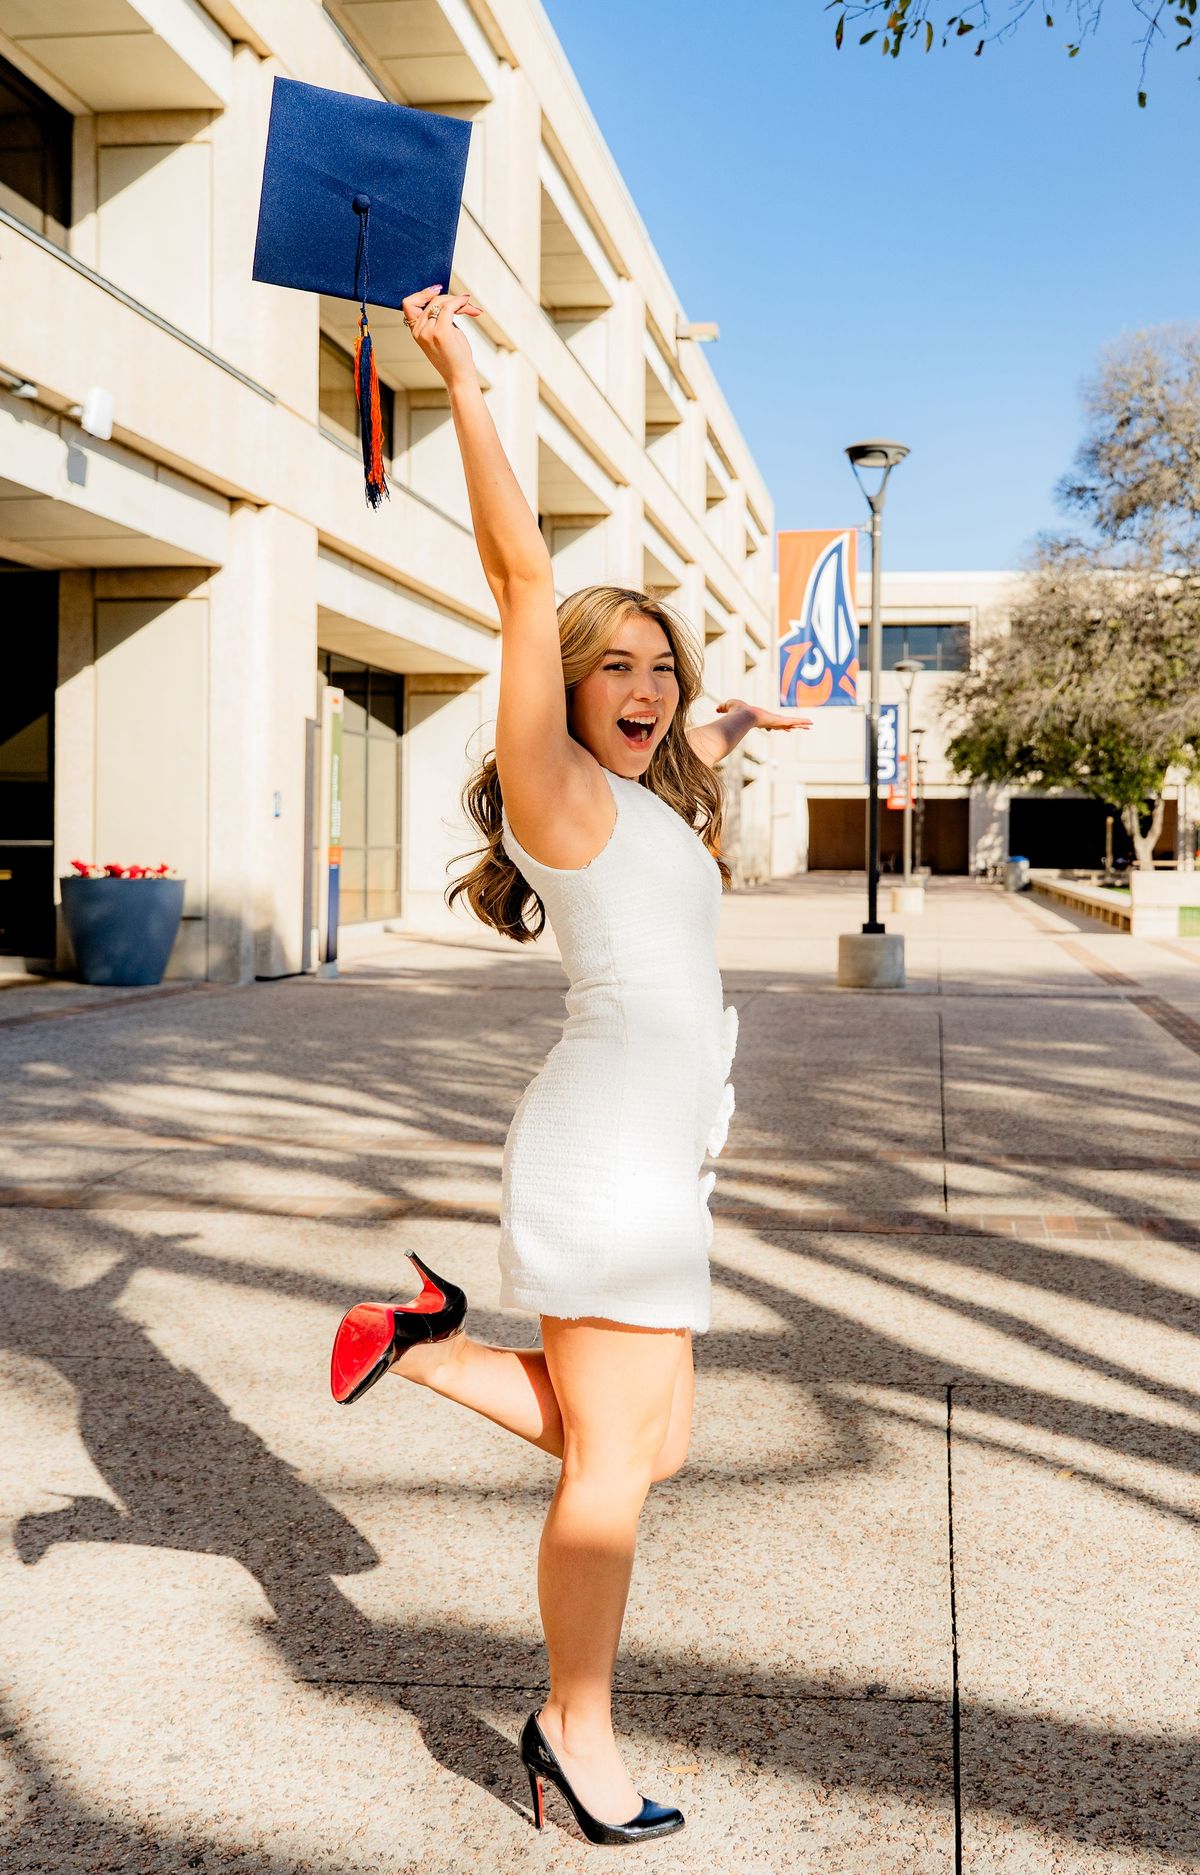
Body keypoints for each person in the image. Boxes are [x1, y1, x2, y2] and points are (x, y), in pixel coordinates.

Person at [327, 283, 810, 1846]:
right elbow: (520, 571)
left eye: (661, 669)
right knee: (612, 1464)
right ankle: (573, 1731)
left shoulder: (650, 801)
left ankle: (422, 1342)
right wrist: (461, 370)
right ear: (569, 683)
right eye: (620, 667)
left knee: (654, 1440)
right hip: (606, 1155)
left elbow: (694, 762)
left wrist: (725, 721)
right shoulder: (561, 799)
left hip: (665, 1159)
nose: (648, 688)